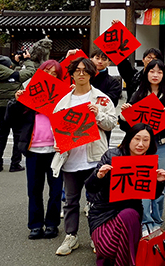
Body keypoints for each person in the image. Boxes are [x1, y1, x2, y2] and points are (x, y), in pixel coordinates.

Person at [50, 57, 117, 256]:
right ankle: (71, 236)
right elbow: (57, 127)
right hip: (70, 158)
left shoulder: (101, 99)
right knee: (71, 201)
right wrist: (57, 142)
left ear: (91, 73)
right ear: (71, 73)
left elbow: (111, 123)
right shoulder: (63, 101)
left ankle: (97, 236)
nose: (81, 73)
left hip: (95, 157)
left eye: (85, 70)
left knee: (95, 200)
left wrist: (98, 114)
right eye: (77, 70)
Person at [85, 123, 165, 266]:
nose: (140, 144)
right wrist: (98, 175)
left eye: (145, 140)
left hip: (130, 216)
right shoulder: (112, 155)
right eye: (137, 138)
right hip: (103, 213)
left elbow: (152, 195)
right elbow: (90, 187)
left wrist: (159, 182)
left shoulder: (148, 162)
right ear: (129, 138)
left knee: (128, 214)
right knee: (107, 250)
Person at [118, 59, 165, 235]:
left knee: (160, 182)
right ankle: (145, 221)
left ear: (164, 74)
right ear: (146, 73)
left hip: (163, 144)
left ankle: (157, 220)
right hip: (141, 147)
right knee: (143, 184)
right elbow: (127, 127)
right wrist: (124, 115)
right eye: (152, 71)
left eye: (159, 72)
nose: (155, 75)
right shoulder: (138, 94)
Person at [13, 60, 65, 240]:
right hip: (33, 149)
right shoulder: (30, 94)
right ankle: (35, 225)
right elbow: (11, 118)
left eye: (55, 74)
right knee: (34, 190)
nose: (50, 76)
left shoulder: (64, 96)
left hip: (55, 150)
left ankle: (52, 224)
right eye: (47, 72)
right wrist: (18, 100)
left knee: (56, 190)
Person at [0, 53, 36, 172]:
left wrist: (15, 63)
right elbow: (31, 71)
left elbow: (9, 73)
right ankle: (15, 163)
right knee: (17, 134)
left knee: (3, 135)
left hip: (1, 106)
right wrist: (27, 60)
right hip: (15, 106)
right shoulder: (15, 75)